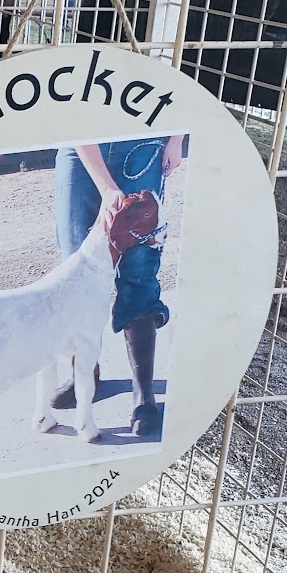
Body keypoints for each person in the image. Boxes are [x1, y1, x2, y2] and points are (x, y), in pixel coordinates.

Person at [52, 135, 187, 440]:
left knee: (139, 267)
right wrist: (106, 187)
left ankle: (144, 395)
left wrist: (176, 139)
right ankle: (85, 376)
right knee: (76, 266)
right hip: (79, 146)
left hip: (143, 143)